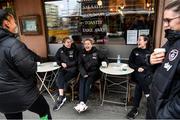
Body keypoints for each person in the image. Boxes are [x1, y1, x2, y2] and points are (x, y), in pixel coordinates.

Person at [0, 9, 52, 119]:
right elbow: (29, 68)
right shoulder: (14, 44)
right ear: (6, 23)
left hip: (2, 97)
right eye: (14, 21)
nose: (16, 24)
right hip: (23, 93)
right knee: (44, 110)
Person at [146, 0, 180, 119]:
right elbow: (163, 68)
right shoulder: (172, 40)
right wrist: (150, 60)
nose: (165, 24)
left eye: (168, 20)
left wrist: (164, 115)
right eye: (164, 20)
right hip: (155, 107)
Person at [74, 38, 108, 113]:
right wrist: (84, 73)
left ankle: (83, 102)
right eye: (85, 44)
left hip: (94, 73)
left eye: (88, 44)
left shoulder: (97, 52)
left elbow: (105, 59)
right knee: (82, 83)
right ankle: (81, 102)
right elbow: (80, 65)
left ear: (92, 44)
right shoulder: (81, 53)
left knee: (87, 84)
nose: (87, 45)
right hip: (85, 72)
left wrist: (105, 63)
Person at [127, 35, 152, 119]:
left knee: (138, 86)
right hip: (136, 74)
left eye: (140, 40)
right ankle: (148, 95)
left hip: (147, 75)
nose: (138, 42)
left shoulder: (150, 52)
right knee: (140, 78)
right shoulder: (134, 51)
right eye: (138, 40)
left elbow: (152, 65)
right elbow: (130, 63)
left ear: (146, 41)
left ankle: (135, 109)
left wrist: (144, 68)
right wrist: (137, 68)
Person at [53, 37, 78, 111]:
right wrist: (61, 63)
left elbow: (77, 61)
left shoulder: (75, 50)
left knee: (60, 79)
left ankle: (61, 96)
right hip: (63, 69)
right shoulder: (60, 50)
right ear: (63, 43)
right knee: (60, 76)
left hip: (72, 70)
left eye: (70, 42)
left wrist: (68, 64)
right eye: (67, 42)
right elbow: (56, 59)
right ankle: (62, 95)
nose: (69, 43)